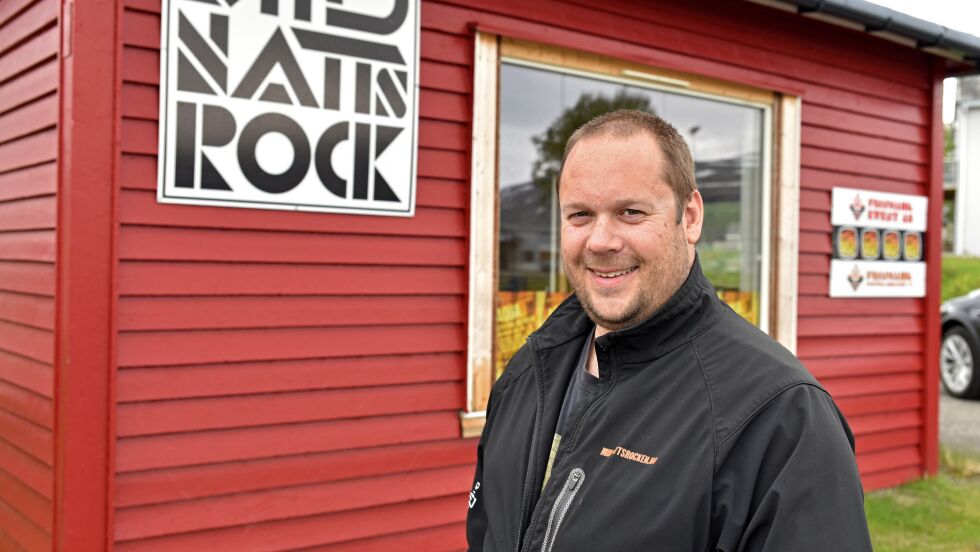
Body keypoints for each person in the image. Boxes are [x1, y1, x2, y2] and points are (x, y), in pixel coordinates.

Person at [466, 110, 873, 551]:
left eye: (631, 212)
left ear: (691, 217)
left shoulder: (782, 416)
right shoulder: (531, 369)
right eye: (580, 214)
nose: (601, 241)